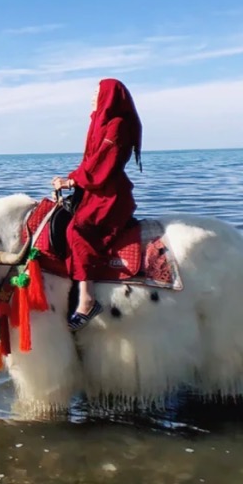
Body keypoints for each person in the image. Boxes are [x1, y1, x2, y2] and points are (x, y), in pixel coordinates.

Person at [52, 78, 142, 332]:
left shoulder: (117, 126)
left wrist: (71, 181)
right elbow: (90, 162)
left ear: (109, 96)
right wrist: (70, 178)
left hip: (109, 196)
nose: (93, 96)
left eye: (97, 92)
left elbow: (103, 166)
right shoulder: (100, 124)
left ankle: (87, 300)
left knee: (78, 231)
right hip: (96, 191)